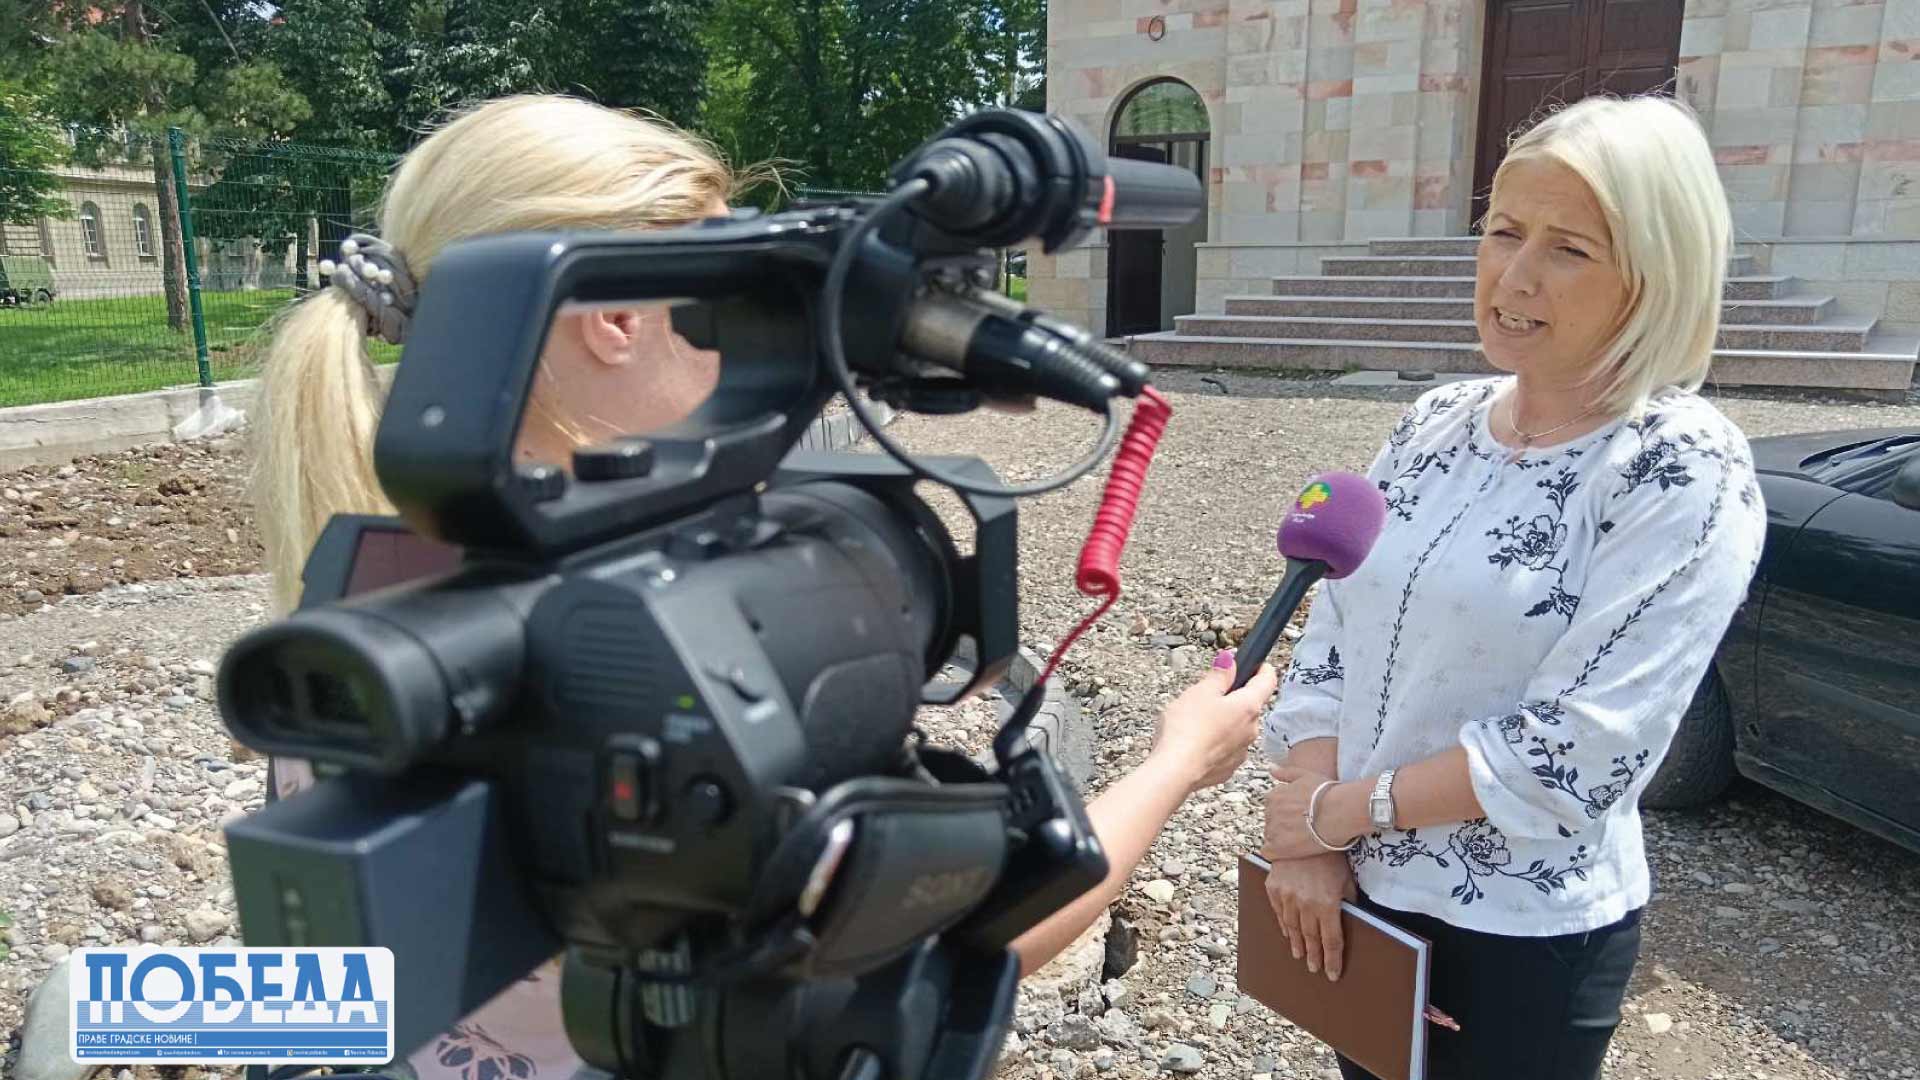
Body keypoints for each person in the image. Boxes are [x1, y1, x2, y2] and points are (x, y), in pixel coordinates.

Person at [245, 93, 1279, 1080]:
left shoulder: (370, 614)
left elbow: (319, 986)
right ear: (614, 316)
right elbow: (968, 946)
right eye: (729, 293)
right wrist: (1177, 764)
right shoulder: (648, 663)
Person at [1255, 93, 1768, 1080]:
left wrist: (1332, 816)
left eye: (1569, 249)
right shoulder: (1436, 421)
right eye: (1503, 231)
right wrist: (1312, 835)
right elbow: (1334, 627)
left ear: (1656, 275)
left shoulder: (1679, 467)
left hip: (1518, 936)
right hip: (1358, 889)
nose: (1515, 276)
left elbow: (1580, 750)